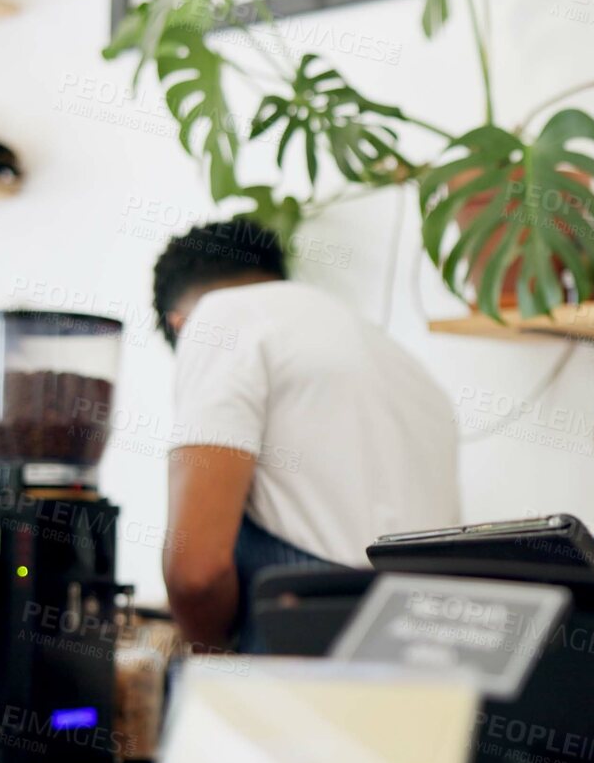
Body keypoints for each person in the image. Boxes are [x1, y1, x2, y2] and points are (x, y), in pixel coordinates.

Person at [152, 218, 459, 649]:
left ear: (181, 324)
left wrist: (210, 661)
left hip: (307, 663)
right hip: (427, 656)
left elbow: (196, 574)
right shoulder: (404, 365)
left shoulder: (218, 318)